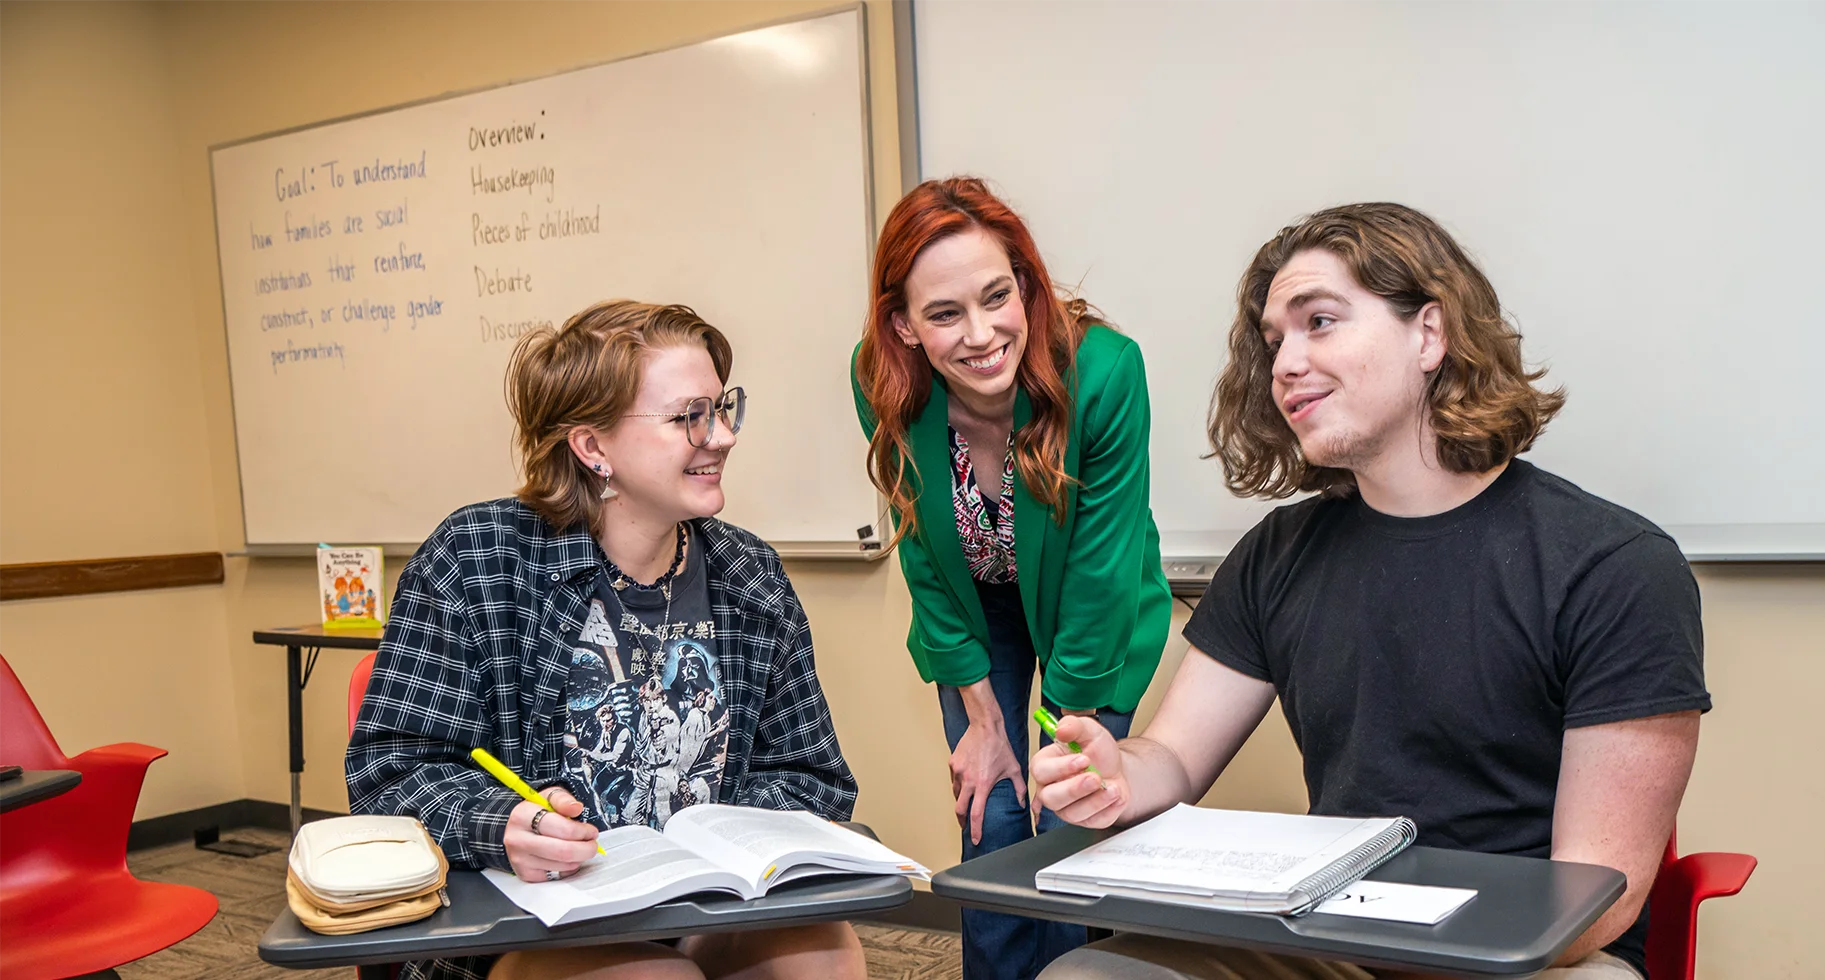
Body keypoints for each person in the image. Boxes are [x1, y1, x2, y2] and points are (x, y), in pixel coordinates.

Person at [1031, 203, 1710, 980]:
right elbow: (1173, 758)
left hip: (1537, 959)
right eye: (1273, 339)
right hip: (1336, 943)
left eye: (1319, 321)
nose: (1284, 363)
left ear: (1429, 334)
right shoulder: (1276, 557)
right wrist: (1118, 775)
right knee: (1090, 976)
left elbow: (1599, 899)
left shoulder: (1614, 567)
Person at [347, 300, 865, 980]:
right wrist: (500, 824)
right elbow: (390, 776)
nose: (723, 436)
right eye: (690, 416)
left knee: (822, 954)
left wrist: (716, 843)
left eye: (723, 407)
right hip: (524, 925)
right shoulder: (476, 560)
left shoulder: (750, 574)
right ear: (593, 449)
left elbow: (813, 777)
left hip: (702, 909)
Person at [851, 177, 1171, 980]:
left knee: (1065, 817)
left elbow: (1100, 576)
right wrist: (983, 718)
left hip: (1089, 611)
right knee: (990, 814)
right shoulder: (882, 379)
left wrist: (1063, 735)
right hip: (974, 608)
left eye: (998, 296)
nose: (983, 333)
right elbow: (920, 546)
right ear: (904, 327)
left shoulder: (1102, 371)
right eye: (945, 314)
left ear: (1025, 285)